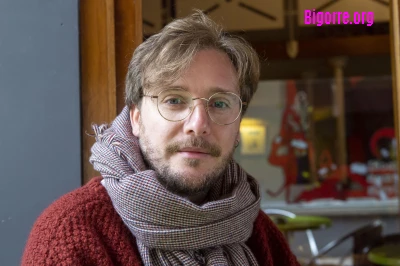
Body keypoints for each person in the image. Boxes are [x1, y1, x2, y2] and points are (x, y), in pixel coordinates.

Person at [22, 11, 300, 266]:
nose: (198, 124)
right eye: (175, 100)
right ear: (136, 118)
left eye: (220, 104)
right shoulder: (71, 232)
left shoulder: (259, 234)